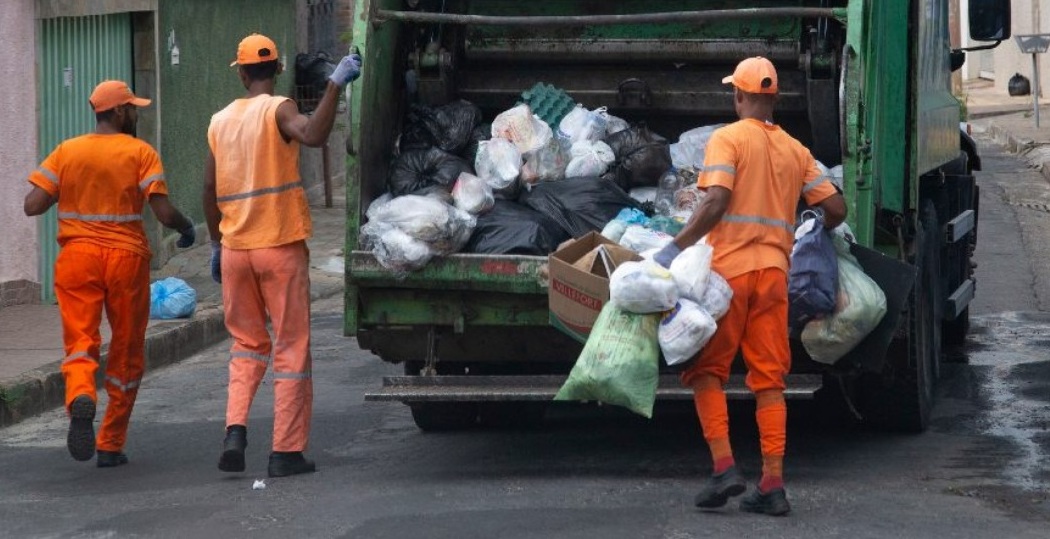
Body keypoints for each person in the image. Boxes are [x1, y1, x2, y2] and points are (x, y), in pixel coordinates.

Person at [653, 57, 847, 516]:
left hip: (731, 276)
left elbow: (716, 199)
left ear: (738, 96)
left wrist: (674, 248)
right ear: (774, 98)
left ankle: (724, 467)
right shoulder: (796, 151)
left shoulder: (727, 138)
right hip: (776, 276)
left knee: (706, 370)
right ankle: (772, 484)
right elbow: (835, 209)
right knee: (769, 379)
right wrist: (805, 224)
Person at [204, 34, 361, 478]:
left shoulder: (219, 121)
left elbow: (207, 190)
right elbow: (313, 135)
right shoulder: (279, 108)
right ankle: (285, 452)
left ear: (240, 71)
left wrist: (216, 244)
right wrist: (335, 85)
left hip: (236, 251)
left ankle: (234, 430)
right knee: (290, 348)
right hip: (279, 248)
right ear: (276, 70)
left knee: (246, 345)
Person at [24, 80, 196, 468]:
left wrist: (65, 185)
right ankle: (111, 442)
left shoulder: (68, 150)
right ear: (119, 112)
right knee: (127, 349)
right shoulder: (140, 152)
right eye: (133, 107)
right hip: (125, 259)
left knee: (81, 342)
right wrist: (187, 228)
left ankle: (81, 395)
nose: (136, 113)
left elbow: (32, 205)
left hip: (76, 259)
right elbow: (163, 212)